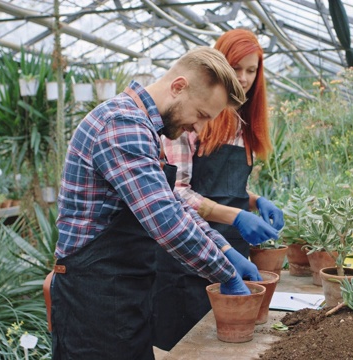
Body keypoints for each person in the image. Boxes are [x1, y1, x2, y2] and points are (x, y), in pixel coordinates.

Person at [50, 47, 261, 360]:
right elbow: (168, 224)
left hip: (120, 293)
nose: (199, 128)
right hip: (93, 299)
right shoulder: (122, 125)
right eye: (202, 115)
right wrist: (225, 274)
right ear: (178, 86)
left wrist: (223, 248)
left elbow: (174, 204)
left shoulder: (146, 131)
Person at [152, 29, 285, 350]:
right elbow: (177, 191)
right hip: (189, 249)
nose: (242, 78)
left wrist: (254, 201)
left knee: (230, 344)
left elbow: (226, 185)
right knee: (190, 342)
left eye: (251, 70)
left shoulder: (244, 124)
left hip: (232, 246)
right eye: (236, 67)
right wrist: (236, 215)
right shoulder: (190, 118)